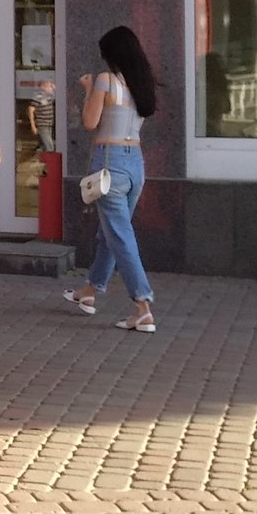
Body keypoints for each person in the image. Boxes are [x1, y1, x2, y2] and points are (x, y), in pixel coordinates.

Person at [65, 25, 160, 331]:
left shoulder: (106, 81)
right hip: (135, 165)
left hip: (110, 164)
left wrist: (89, 88)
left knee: (120, 236)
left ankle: (142, 305)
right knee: (110, 233)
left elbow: (90, 121)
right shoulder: (140, 85)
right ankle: (90, 291)